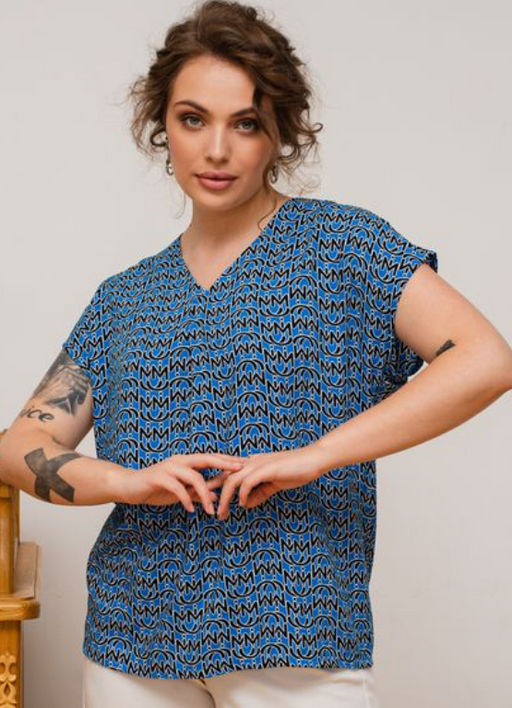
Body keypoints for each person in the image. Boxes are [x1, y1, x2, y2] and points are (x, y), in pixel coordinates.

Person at [1, 1, 511, 707]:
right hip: (131, 640)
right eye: (193, 119)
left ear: (279, 134)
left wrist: (316, 455)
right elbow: (19, 445)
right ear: (162, 128)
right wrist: (125, 481)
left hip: (296, 629)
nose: (217, 149)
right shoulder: (125, 298)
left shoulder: (344, 248)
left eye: (245, 123)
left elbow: (485, 360)